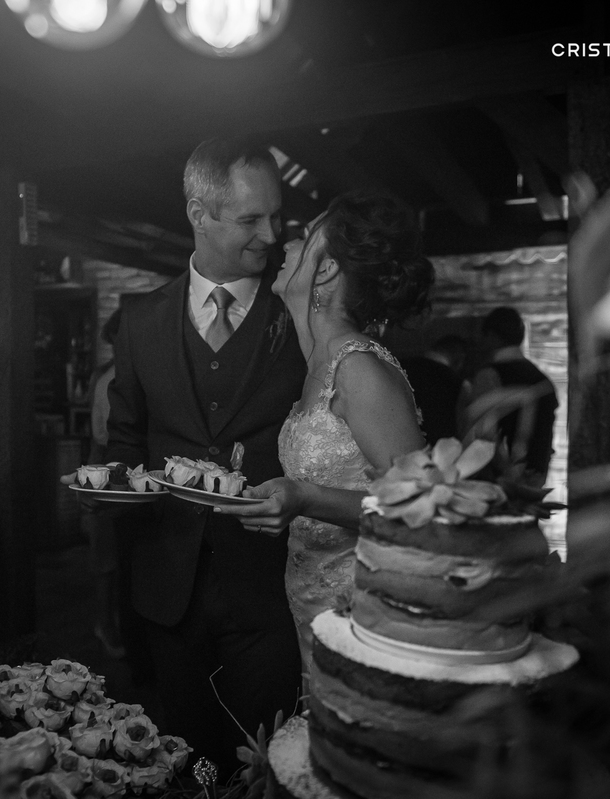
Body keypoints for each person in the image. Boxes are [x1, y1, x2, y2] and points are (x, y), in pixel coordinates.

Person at [101, 138, 307, 774]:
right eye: (250, 219)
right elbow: (126, 442)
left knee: (264, 767)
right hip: (168, 590)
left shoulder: (296, 314)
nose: (270, 235)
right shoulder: (141, 321)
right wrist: (110, 505)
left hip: (268, 591)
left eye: (275, 216)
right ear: (199, 214)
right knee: (182, 763)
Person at [221, 190, 432, 671]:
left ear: (328, 268)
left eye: (303, 237)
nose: (285, 244)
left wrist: (306, 497)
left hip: (362, 614)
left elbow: (419, 512)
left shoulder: (359, 368)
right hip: (311, 608)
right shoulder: (317, 363)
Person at [465, 307, 558, 485]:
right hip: (535, 478)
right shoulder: (544, 381)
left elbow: (481, 432)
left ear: (491, 335)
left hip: (498, 480)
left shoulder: (489, 375)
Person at [82, 310, 125, 659]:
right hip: (110, 466)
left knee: (116, 557)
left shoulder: (112, 373)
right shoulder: (111, 377)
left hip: (111, 461)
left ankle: (115, 625)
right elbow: (105, 434)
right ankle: (105, 624)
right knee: (107, 557)